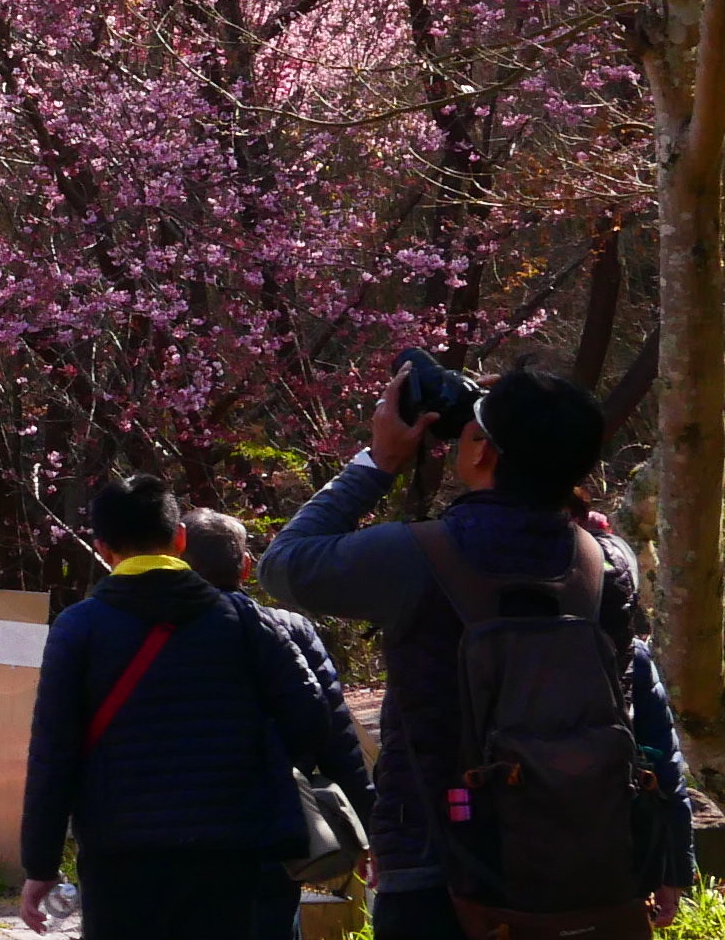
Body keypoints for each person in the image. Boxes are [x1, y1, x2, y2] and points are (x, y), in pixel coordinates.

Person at [262, 360, 689, 939]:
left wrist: (380, 461)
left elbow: (285, 565)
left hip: (437, 857)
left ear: (483, 450)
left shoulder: (415, 556)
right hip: (582, 852)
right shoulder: (610, 564)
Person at [13, 477, 369, 938]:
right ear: (180, 538)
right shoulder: (246, 622)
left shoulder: (78, 628)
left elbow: (52, 754)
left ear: (103, 548)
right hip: (231, 846)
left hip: (119, 853)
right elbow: (312, 718)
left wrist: (39, 865)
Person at [185, 508, 370, 940]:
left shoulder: (150, 631)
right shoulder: (289, 629)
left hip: (176, 830)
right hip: (273, 818)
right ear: (247, 566)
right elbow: (334, 733)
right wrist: (367, 825)